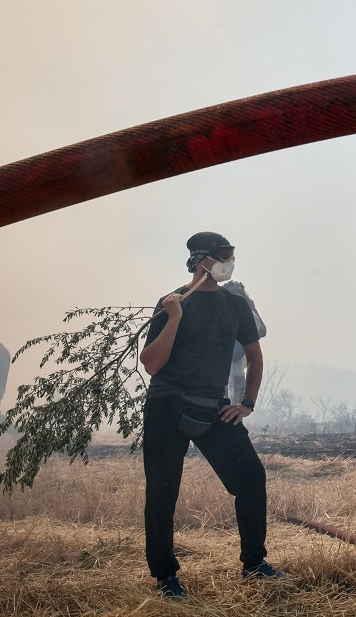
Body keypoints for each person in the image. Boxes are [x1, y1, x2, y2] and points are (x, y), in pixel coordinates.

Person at [139, 232, 282, 599]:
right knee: (162, 490)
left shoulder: (234, 305)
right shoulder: (171, 302)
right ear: (201, 259)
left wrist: (246, 403)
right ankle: (165, 577)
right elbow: (152, 364)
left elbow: (254, 354)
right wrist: (173, 318)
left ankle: (254, 564)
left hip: (214, 405)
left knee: (251, 477)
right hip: (167, 404)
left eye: (231, 255)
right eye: (222, 255)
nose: (228, 262)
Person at [226, 297, 267, 406]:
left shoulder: (223, 313)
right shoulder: (248, 315)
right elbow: (262, 331)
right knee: (235, 411)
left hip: (222, 373)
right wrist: (253, 307)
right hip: (237, 372)